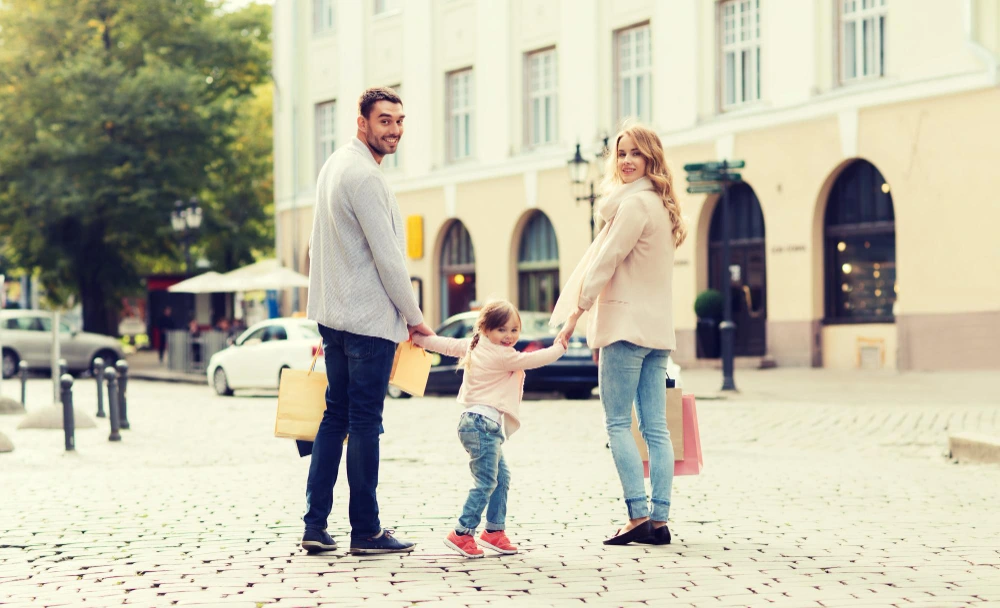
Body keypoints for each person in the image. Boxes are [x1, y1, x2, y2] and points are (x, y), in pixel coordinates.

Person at [302, 86, 434, 555]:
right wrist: (416, 319)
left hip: (334, 319)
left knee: (334, 416)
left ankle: (315, 526)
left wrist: (321, 307)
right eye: (384, 121)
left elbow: (317, 248)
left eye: (399, 121)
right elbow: (390, 261)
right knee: (363, 423)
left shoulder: (334, 165)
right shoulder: (365, 178)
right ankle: (367, 531)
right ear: (362, 122)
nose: (394, 130)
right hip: (367, 323)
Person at [552, 123, 687, 546]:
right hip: (657, 331)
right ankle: (659, 520)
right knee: (655, 429)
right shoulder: (662, 207)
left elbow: (605, 263)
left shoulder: (632, 207)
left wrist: (576, 313)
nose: (626, 161)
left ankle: (637, 516)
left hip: (625, 330)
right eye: (621, 153)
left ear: (651, 159)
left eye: (635, 154)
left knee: (616, 423)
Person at [412, 300, 567, 558]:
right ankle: (462, 533)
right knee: (486, 482)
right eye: (501, 330)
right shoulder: (501, 355)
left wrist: (418, 337)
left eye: (514, 330)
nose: (509, 337)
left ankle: (493, 532)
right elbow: (533, 359)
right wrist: (559, 346)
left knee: (501, 478)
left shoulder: (474, 345)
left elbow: (443, 344)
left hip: (475, 423)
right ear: (486, 329)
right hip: (482, 425)